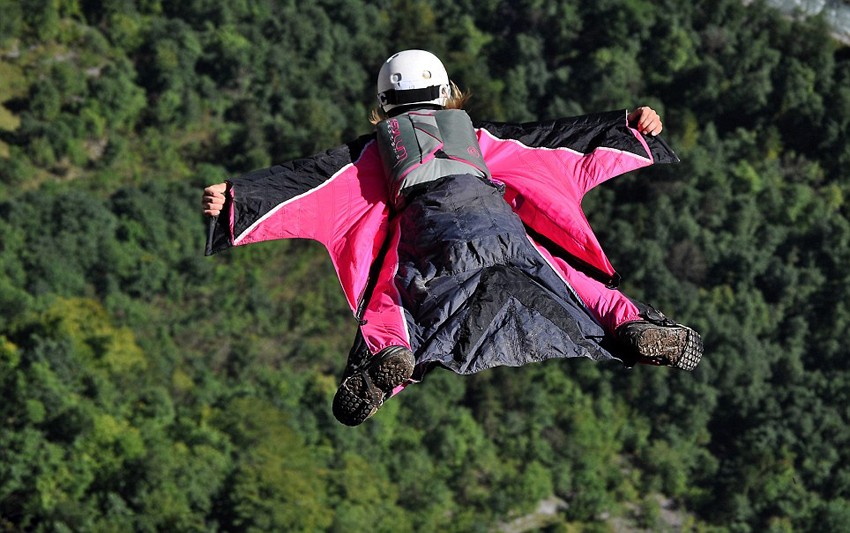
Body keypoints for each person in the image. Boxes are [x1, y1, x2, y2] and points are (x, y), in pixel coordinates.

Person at [202, 50, 703, 426]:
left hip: (430, 235)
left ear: (384, 106)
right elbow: (562, 138)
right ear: (446, 95)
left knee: (388, 298)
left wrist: (238, 200)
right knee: (565, 278)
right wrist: (631, 128)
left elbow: (303, 185)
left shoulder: (367, 158)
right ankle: (630, 323)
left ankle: (387, 355)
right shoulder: (483, 140)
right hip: (500, 229)